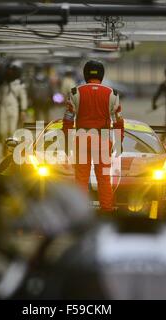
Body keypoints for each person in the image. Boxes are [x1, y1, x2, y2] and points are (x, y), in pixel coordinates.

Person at [62, 60, 124, 212]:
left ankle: (79, 212)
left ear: (85, 73)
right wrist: (119, 142)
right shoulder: (112, 94)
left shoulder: (75, 92)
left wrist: (68, 141)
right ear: (102, 74)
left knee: (81, 179)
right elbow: (118, 122)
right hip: (103, 139)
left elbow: (68, 120)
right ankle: (107, 211)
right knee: (104, 178)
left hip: (81, 138)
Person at [0, 60, 28, 154]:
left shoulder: (19, 84)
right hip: (2, 108)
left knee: (12, 129)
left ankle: (10, 149)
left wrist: (23, 110)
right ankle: (4, 144)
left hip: (14, 108)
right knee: (2, 130)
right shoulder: (2, 84)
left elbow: (23, 97)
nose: (9, 73)